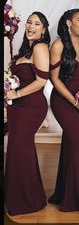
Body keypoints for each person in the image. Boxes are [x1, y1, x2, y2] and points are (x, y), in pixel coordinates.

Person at [5, 12, 50, 216]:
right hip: (16, 106)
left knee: (18, 148)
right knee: (19, 149)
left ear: (43, 30)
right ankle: (29, 197)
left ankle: (25, 201)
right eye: (29, 22)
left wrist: (17, 92)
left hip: (31, 106)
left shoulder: (40, 47)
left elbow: (41, 81)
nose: (31, 26)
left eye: (37, 24)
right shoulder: (26, 50)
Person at [47, 9, 79, 212]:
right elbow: (54, 79)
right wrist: (75, 102)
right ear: (68, 23)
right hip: (64, 101)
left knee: (71, 145)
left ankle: (63, 193)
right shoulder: (58, 44)